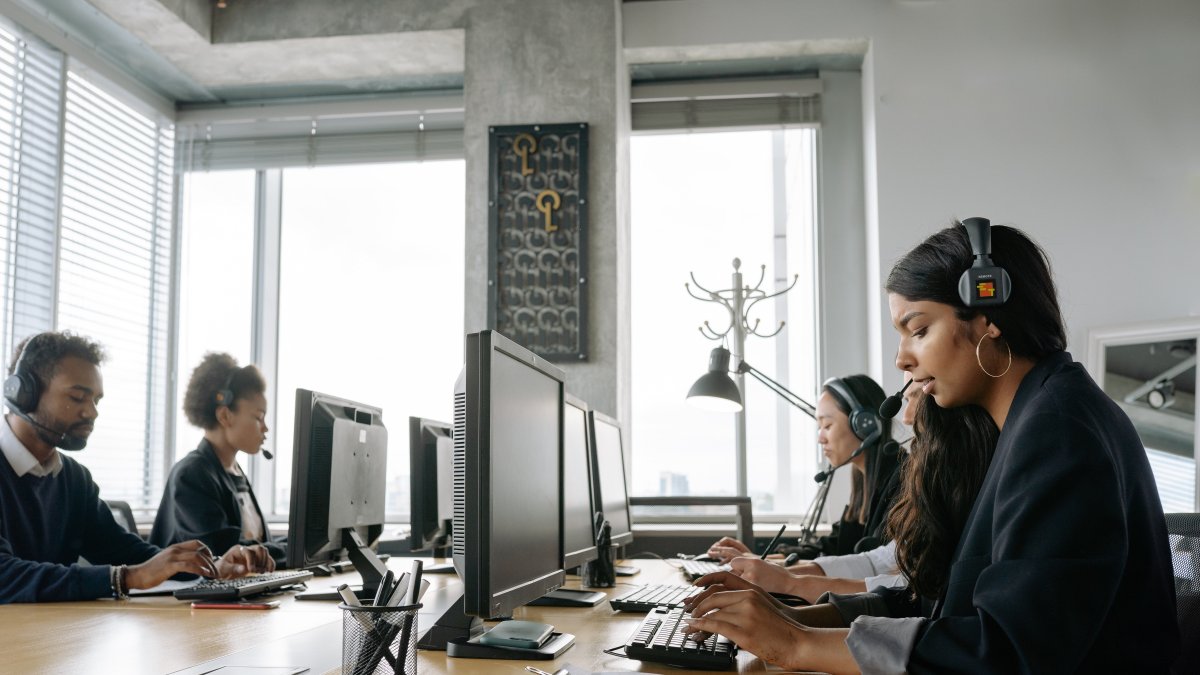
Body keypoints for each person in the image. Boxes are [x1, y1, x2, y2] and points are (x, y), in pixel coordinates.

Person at [682, 220, 1179, 673]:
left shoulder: (1058, 431)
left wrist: (797, 643)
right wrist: (795, 618)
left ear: (988, 317)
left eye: (918, 329)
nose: (902, 359)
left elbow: (1007, 651)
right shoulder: (1024, 423)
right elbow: (939, 605)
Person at [0, 331, 271, 604]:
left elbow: (128, 553)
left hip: (43, 637)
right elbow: (5, 576)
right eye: (78, 397)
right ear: (24, 394)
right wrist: (126, 577)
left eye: (96, 400)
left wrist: (212, 567)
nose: (92, 412)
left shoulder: (73, 479)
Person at [707, 375, 903, 563]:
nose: (820, 438)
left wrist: (767, 566)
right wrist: (757, 560)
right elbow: (833, 549)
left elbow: (866, 565)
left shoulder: (901, 480)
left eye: (827, 425)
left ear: (864, 424)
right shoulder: (865, 482)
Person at [151, 353, 282, 567]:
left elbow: (258, 546)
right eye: (258, 417)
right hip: (189, 597)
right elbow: (225, 553)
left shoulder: (233, 472)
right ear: (224, 416)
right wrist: (291, 550)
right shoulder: (192, 474)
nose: (265, 428)